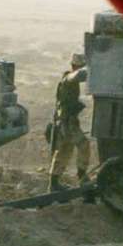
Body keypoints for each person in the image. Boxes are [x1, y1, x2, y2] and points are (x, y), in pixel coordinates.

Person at [47, 53, 92, 192]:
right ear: (75, 66)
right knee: (83, 145)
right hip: (67, 122)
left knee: (65, 150)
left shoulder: (68, 81)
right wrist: (92, 68)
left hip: (66, 121)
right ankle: (82, 175)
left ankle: (54, 183)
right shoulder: (68, 78)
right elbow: (77, 76)